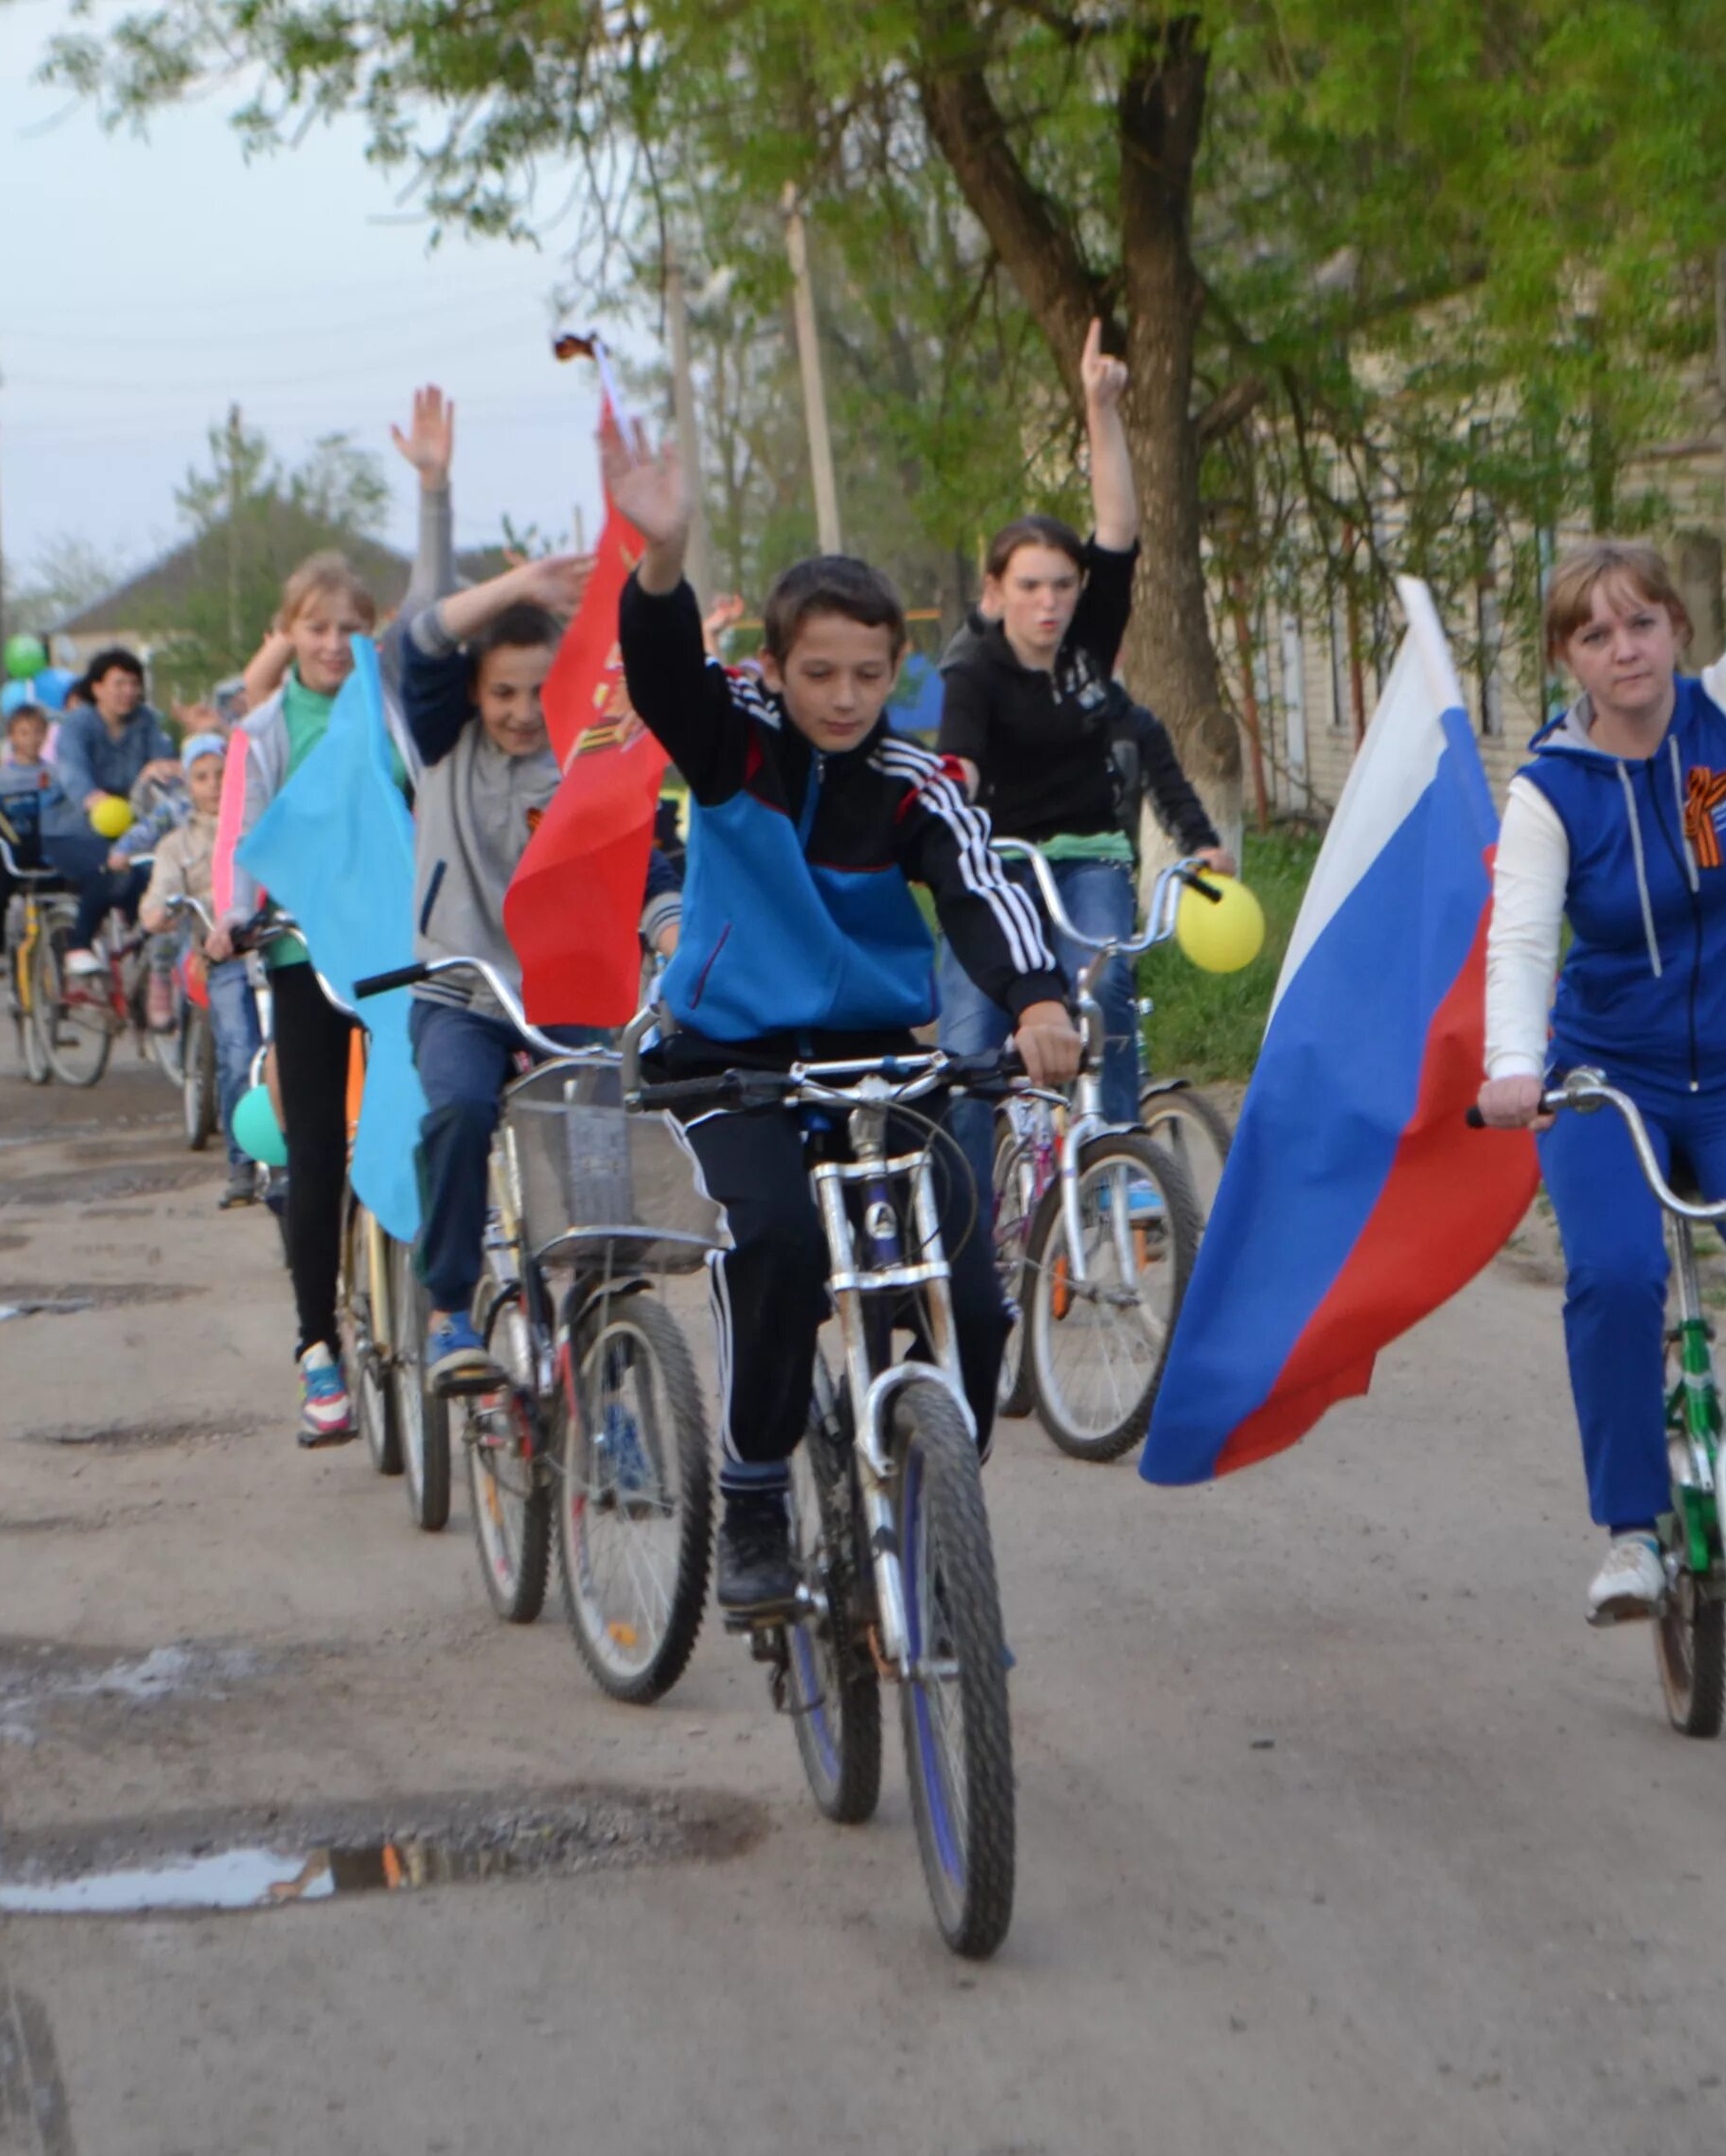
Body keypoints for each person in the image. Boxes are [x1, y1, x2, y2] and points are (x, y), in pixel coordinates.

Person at [602, 413, 1084, 1614]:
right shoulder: (731, 743)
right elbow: (660, 673)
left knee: (973, 1290)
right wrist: (662, 559)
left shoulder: (912, 783)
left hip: (873, 1060)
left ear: (895, 670)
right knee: (776, 1242)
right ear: (774, 669)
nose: (845, 697)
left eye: (870, 675)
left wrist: (1036, 998)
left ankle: (929, 1477)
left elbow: (979, 887)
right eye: (819, 673)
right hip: (729, 1058)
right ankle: (757, 1490)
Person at [1478, 312, 1726, 1627]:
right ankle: (1632, 1532)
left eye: (1642, 623)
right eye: (1595, 635)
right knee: (1613, 1276)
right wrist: (1516, 1066)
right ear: (1568, 659)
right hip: (1612, 1075)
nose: (1625, 649)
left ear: (1677, 627)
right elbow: (1522, 938)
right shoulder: (1550, 790)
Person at [934, 319, 1233, 1194]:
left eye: (1063, 586)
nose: (1050, 602)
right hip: (995, 868)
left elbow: (1119, 527)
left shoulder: (1088, 649)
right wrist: (935, 812)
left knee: (1103, 990)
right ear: (997, 592)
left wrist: (1102, 409)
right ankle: (965, 1214)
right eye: (1030, 586)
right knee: (966, 1044)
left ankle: (1115, 1154)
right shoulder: (972, 672)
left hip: (1087, 859)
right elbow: (961, 771)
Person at [392, 545, 695, 1391]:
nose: (522, 712)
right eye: (503, 692)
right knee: (458, 1111)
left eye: (538, 692)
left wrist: (674, 936)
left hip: (565, 988)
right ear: (472, 692)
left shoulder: (584, 756)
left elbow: (639, 861)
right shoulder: (441, 743)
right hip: (460, 991)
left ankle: (607, 1330)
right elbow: (418, 641)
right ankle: (450, 1306)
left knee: (601, 1148)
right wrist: (520, 588)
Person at [215, 387, 456, 1443]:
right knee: (315, 1152)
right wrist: (232, 917)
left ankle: (447, 1309)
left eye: (349, 627)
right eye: (315, 627)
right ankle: (318, 1347)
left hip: (399, 947)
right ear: (288, 634)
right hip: (305, 955)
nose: (332, 642)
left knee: (429, 1122)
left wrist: (433, 490)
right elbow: (243, 830)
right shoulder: (266, 728)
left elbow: (435, 602)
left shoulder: (388, 700)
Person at [137, 733, 266, 1205]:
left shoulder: (263, 825)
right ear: (188, 785)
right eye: (201, 776)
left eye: (221, 774)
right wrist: (158, 912)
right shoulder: (178, 844)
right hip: (223, 958)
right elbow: (156, 899)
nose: (213, 785)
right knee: (240, 1051)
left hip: (276, 950)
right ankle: (243, 1162)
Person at [43, 648, 178, 978]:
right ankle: (78, 945)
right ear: (97, 687)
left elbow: (165, 765)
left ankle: (145, 959)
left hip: (130, 826)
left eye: (134, 684)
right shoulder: (78, 723)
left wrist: (165, 770)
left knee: (157, 876)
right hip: (71, 829)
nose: (128, 691)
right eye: (119, 683)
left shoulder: (146, 721)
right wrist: (92, 798)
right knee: (110, 869)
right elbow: (72, 770)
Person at [0, 706, 60, 978]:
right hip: (9, 850)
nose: (31, 739)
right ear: (12, 737)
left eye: (37, 732)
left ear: (45, 735)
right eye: (24, 733)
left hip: (46, 849)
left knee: (68, 894)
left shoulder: (55, 774)